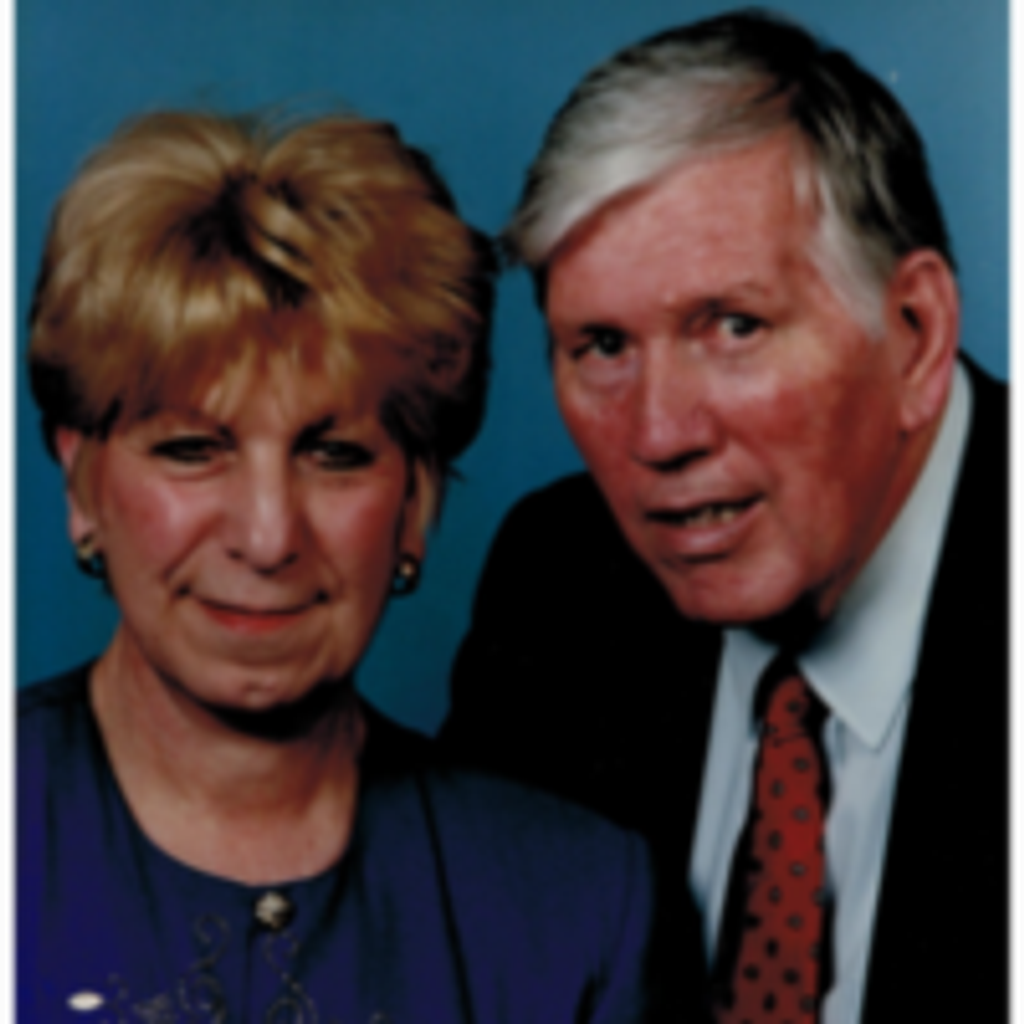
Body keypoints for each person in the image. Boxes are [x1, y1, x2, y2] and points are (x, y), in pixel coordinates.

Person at [19, 109, 659, 1023]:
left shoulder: (577, 900)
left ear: (417, 503)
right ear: (82, 483)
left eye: (335, 455)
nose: (268, 537)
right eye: (193, 449)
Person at [441, 10, 1007, 1024]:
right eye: (602, 346)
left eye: (733, 327)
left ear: (915, 335)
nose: (659, 434)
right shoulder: (556, 580)